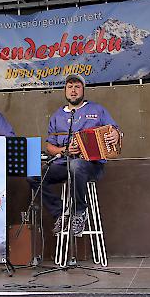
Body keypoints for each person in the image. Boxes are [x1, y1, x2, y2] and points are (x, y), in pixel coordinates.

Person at [30, 74, 121, 237]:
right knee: (33, 174)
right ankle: (61, 213)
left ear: (83, 90)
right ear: (65, 90)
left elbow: (114, 130)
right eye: (70, 86)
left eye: (77, 86)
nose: (73, 90)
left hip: (91, 165)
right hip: (64, 162)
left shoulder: (97, 109)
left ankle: (79, 212)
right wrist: (64, 150)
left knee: (76, 165)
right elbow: (50, 146)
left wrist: (116, 134)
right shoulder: (57, 116)